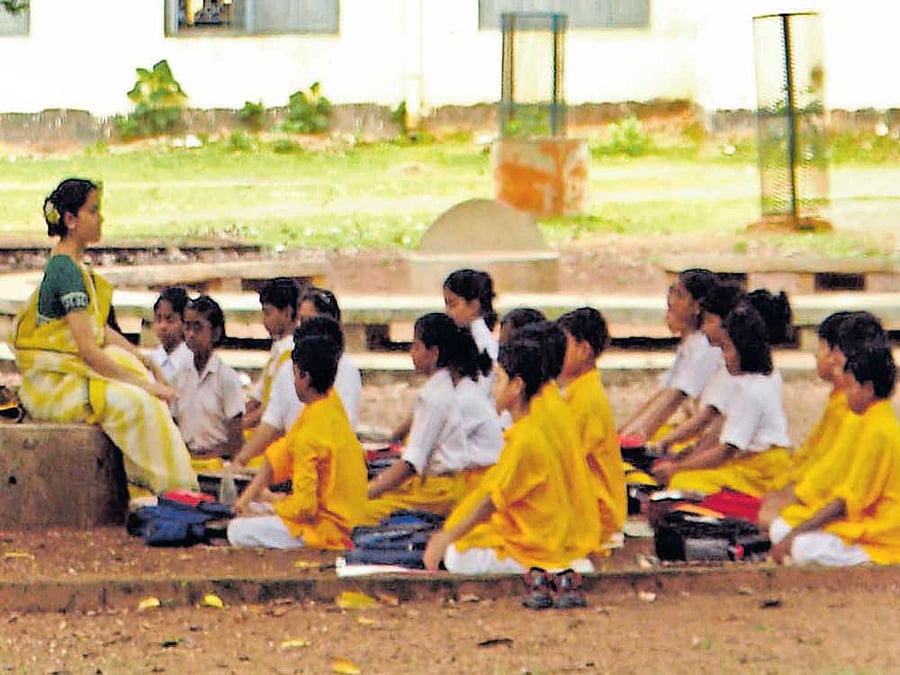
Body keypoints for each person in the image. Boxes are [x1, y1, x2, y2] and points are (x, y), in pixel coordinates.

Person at [12, 178, 196, 494]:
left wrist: (145, 363)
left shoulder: (75, 268)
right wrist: (144, 385)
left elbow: (100, 332)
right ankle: (166, 492)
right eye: (93, 211)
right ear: (71, 220)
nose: (101, 219)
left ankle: (167, 493)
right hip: (53, 387)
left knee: (136, 378)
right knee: (138, 403)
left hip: (67, 377)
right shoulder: (65, 270)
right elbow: (88, 349)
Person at [423, 323, 595, 575]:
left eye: (500, 379)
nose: (493, 388)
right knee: (471, 531)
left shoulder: (529, 435)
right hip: (548, 530)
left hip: (538, 547)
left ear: (517, 386)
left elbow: (492, 500)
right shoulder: (538, 418)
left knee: (457, 555)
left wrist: (446, 538)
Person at [227, 319, 367, 549]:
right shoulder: (329, 406)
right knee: (255, 510)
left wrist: (273, 506)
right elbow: (279, 455)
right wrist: (248, 498)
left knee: (237, 530)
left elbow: (305, 508)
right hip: (342, 517)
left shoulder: (311, 431)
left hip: (327, 529)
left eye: (294, 375)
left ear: (304, 377)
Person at [769, 333, 900, 566]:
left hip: (883, 536)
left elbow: (845, 502)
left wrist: (793, 536)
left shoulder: (878, 429)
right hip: (861, 521)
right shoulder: (874, 419)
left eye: (850, 388)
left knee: (800, 545)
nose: (846, 396)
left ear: (867, 389)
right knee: (783, 528)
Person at [365, 313, 503, 523]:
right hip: (443, 484)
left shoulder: (438, 396)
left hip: (442, 492)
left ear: (434, 353)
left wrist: (369, 491)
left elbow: (412, 463)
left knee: (357, 514)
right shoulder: (443, 388)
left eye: (416, 347)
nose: (412, 353)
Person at [653, 303, 792, 496]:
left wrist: (677, 468)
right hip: (747, 462)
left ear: (744, 351)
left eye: (727, 350)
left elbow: (725, 451)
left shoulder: (752, 391)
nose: (725, 357)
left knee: (682, 482)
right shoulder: (748, 383)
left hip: (761, 472)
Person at [231, 286, 362, 469]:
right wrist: (240, 461)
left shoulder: (346, 370)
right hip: (290, 461)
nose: (303, 328)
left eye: (310, 321)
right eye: (301, 320)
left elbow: (339, 434)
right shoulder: (288, 367)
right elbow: (271, 425)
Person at [757, 312, 854, 524]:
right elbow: (810, 454)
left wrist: (794, 494)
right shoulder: (837, 402)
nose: (816, 357)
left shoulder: (852, 409)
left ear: (837, 356)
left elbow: (830, 469)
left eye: (821, 348)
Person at [619, 268, 719, 443]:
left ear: (697, 306)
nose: (670, 301)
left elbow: (671, 402)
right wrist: (622, 434)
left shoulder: (705, 347)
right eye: (671, 292)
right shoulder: (690, 343)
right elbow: (661, 397)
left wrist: (631, 443)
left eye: (679, 296)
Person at [557, 307, 627, 549]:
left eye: (562, 346)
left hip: (596, 513)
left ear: (584, 350)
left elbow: (558, 461)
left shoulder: (585, 401)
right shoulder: (578, 394)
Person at [170, 294, 245, 472]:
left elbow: (236, 439)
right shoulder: (179, 376)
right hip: (186, 463)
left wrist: (208, 457)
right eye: (187, 327)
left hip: (217, 464)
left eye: (198, 327)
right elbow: (173, 423)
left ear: (216, 333)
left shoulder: (226, 378)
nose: (191, 334)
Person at [241, 277, 300, 436]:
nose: (264, 321)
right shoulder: (278, 348)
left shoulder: (291, 353)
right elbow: (257, 396)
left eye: (268, 313)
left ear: (287, 313)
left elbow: (271, 407)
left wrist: (239, 426)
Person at [443, 269, 499, 393]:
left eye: (452, 304)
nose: (447, 312)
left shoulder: (485, 344)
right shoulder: (461, 338)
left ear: (474, 306)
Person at [147, 286, 192, 384]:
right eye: (158, 319)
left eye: (170, 320)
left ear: (185, 323)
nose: (163, 326)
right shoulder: (151, 360)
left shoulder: (193, 362)